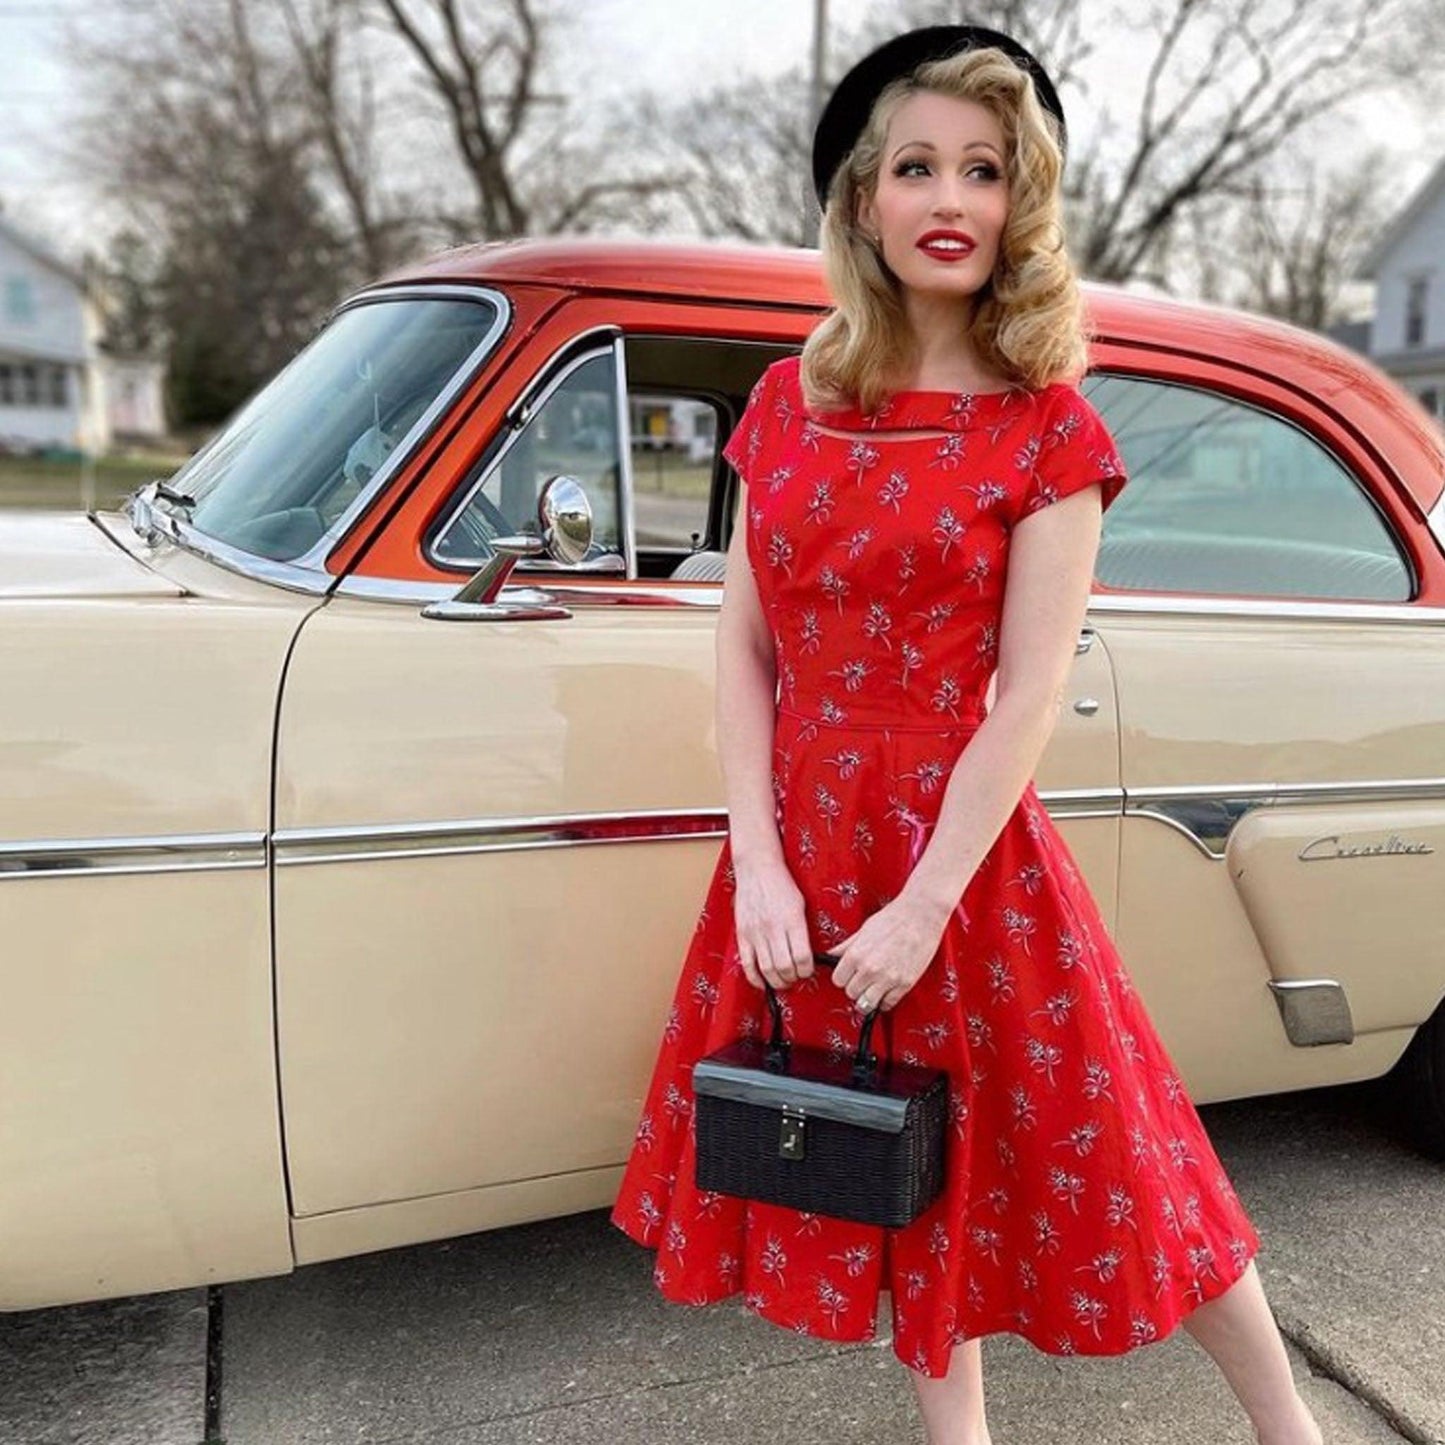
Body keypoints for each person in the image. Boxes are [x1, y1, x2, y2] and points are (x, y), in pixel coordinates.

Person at [610, 24, 1324, 1445]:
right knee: (888, 1151)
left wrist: (925, 903)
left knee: (1120, 1152)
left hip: (966, 856)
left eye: (984, 170)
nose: (949, 198)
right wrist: (756, 864)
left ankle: (1287, 1427)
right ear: (864, 198)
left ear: (1020, 203)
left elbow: (1024, 692)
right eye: (917, 166)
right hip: (805, 849)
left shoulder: (1047, 429)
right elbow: (743, 650)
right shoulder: (786, 403)